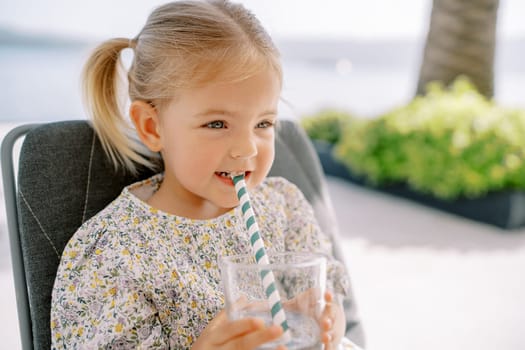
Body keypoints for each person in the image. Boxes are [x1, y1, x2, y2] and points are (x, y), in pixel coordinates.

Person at [50, 1, 351, 349]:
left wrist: (326, 319)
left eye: (263, 123)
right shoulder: (114, 251)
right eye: (217, 124)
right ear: (152, 126)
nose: (247, 149)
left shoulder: (284, 206)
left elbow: (329, 292)